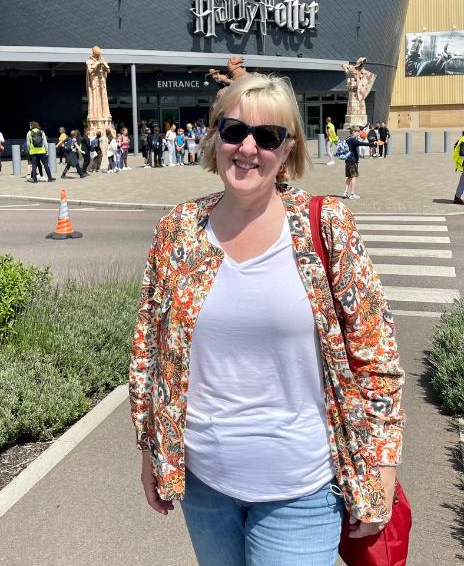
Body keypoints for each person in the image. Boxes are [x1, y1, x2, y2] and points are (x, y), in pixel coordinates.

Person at [129, 73, 404, 566]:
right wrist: (151, 447)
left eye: (268, 136)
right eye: (234, 131)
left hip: (302, 486)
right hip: (203, 483)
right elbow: (148, 350)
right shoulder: (178, 230)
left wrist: (382, 465)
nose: (248, 148)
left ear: (288, 151)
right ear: (214, 140)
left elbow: (375, 351)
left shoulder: (326, 225)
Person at [343, 125, 376, 199]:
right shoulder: (353, 140)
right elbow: (362, 144)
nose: (359, 134)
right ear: (354, 132)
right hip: (353, 161)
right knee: (354, 177)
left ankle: (345, 192)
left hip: (347, 160)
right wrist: (372, 144)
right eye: (358, 132)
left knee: (349, 177)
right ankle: (352, 194)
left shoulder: (348, 139)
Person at [453, 130, 464, 205]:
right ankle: (457, 197)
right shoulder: (463, 141)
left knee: (462, 181)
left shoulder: (462, 139)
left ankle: (457, 197)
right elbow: (462, 153)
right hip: (463, 163)